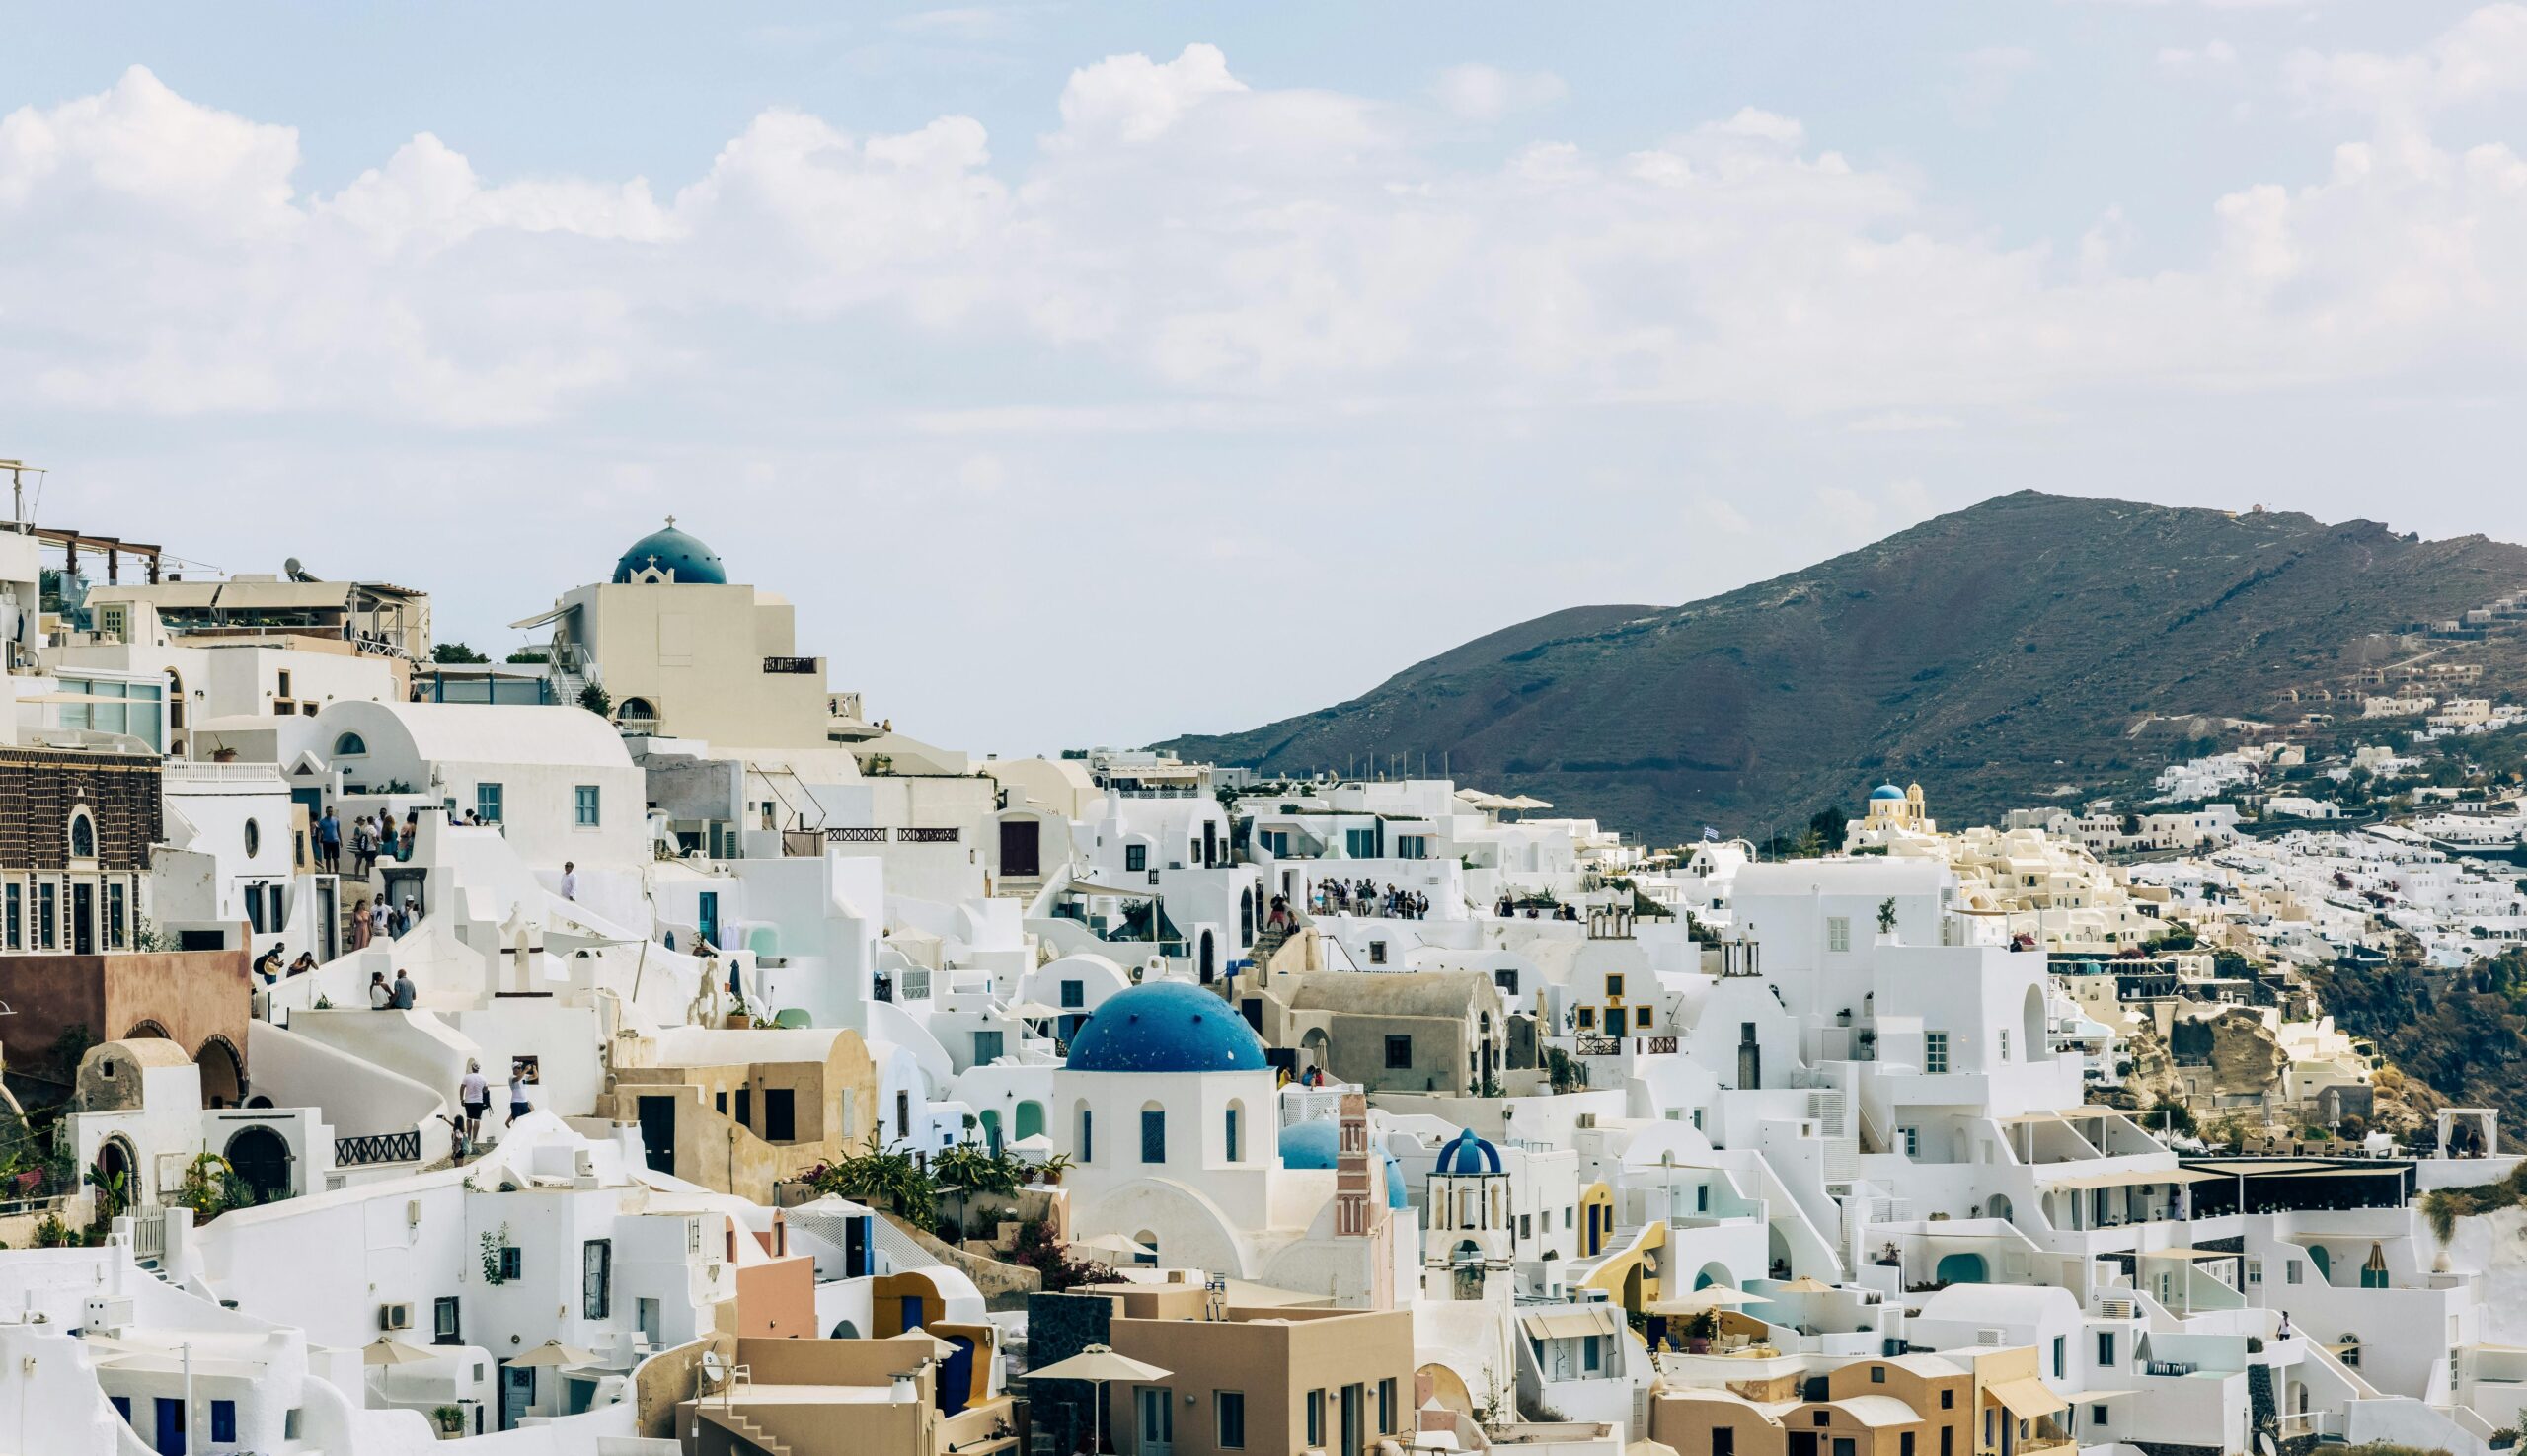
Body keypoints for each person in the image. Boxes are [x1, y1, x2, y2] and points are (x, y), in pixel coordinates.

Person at [458, 1058, 490, 1144]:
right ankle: (474, 1139)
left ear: (472, 1068)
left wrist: (461, 1098)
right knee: (477, 1120)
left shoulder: (467, 1077)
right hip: (479, 1101)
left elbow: (462, 1088)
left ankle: (468, 1137)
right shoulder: (483, 1078)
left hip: (468, 1101)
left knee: (469, 1119)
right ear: (478, 1068)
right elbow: (486, 1090)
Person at [508, 1063, 533, 1129]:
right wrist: (526, 1070)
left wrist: (534, 1068)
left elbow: (535, 1076)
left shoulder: (524, 1076)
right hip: (516, 1102)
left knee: (524, 1121)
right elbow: (518, 1078)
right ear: (514, 1069)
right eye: (518, 1068)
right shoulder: (512, 1077)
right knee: (516, 1121)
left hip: (524, 1102)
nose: (520, 1069)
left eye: (521, 1068)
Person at [318, 805, 342, 872]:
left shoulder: (336, 820)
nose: (330, 813)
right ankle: (329, 873)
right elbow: (319, 832)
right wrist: (319, 841)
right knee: (327, 859)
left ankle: (336, 872)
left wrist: (341, 840)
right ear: (326, 812)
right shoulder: (322, 821)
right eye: (328, 811)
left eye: (331, 811)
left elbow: (338, 830)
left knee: (335, 858)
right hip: (326, 842)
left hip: (335, 841)